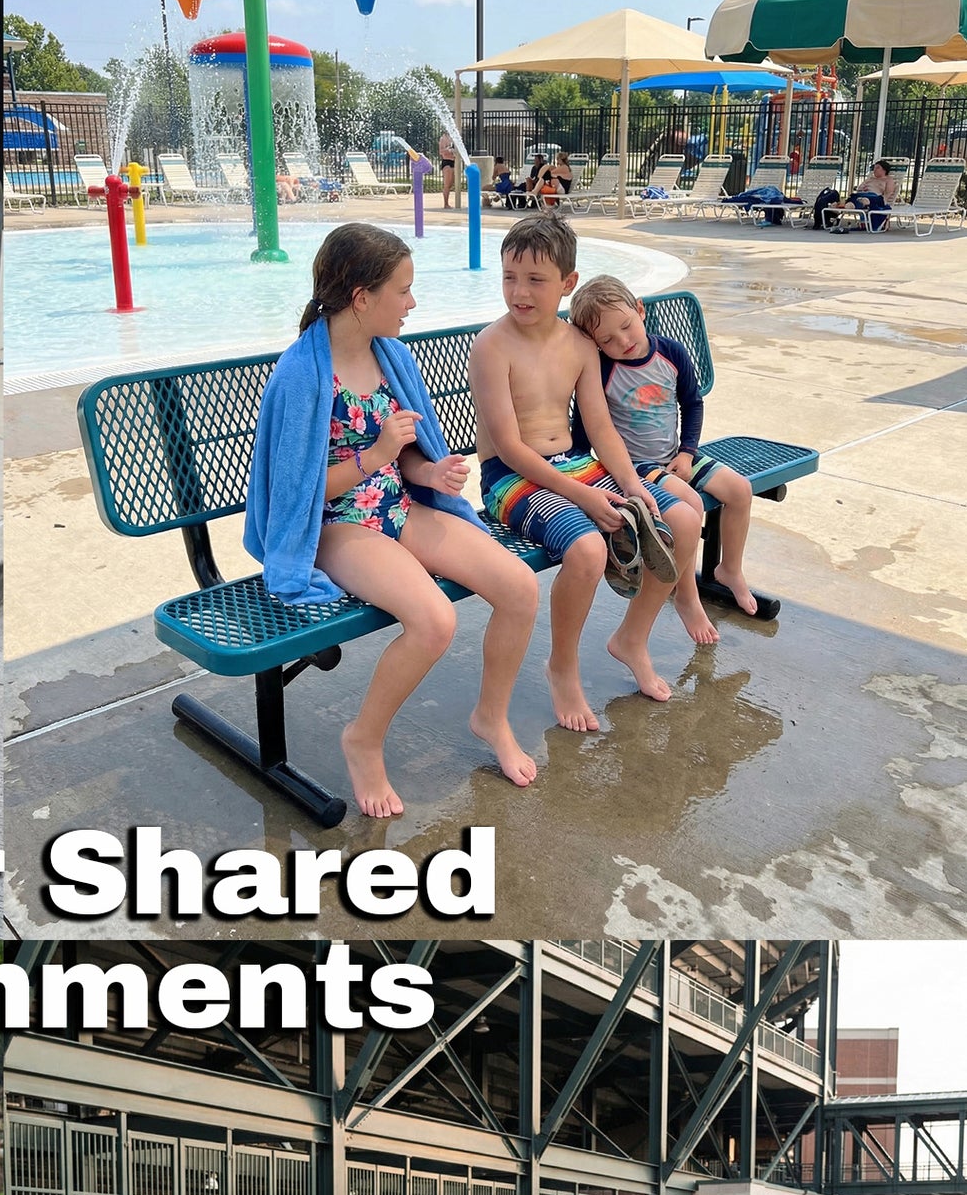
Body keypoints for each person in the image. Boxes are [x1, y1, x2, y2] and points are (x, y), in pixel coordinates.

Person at [244, 224, 540, 818]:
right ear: (361, 297)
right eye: (402, 291)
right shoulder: (302, 376)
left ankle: (491, 716)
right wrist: (374, 457)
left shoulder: (391, 355)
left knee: (520, 587)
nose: (412, 303)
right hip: (333, 526)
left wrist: (427, 474)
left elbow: (404, 448)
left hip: (395, 505)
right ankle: (364, 739)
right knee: (432, 621)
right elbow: (294, 496)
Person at [471, 215, 701, 732]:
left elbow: (599, 428)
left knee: (683, 519)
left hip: (578, 464)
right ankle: (563, 667)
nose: (519, 291)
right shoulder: (492, 346)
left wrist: (633, 487)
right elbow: (506, 446)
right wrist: (583, 495)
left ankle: (632, 639)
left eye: (535, 280)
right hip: (512, 477)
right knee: (588, 548)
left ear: (568, 284)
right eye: (509, 276)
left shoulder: (577, 344)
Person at [566, 275, 780, 631]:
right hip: (636, 466)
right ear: (593, 343)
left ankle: (729, 569)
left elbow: (692, 403)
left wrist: (687, 452)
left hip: (676, 455)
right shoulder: (602, 371)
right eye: (607, 340)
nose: (623, 341)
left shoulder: (671, 352)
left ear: (640, 310)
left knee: (739, 489)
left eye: (626, 326)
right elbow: (584, 427)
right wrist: (585, 483)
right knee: (688, 507)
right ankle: (686, 592)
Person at [438, 132, 462, 211]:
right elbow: (441, 151)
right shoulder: (443, 138)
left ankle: (449, 203)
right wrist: (450, 150)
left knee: (452, 184)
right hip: (447, 162)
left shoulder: (454, 137)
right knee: (447, 184)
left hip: (454, 162)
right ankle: (446, 203)